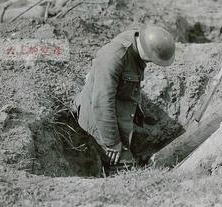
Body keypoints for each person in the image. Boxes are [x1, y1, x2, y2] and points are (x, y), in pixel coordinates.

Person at [74, 25, 175, 167]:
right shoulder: (114, 56)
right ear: (146, 51)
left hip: (119, 107)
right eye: (152, 59)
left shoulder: (137, 43)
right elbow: (101, 103)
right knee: (124, 164)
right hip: (97, 115)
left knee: (143, 141)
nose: (151, 63)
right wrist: (113, 142)